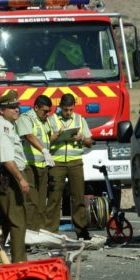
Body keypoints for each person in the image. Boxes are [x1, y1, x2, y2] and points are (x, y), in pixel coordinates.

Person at [0, 90, 35, 264]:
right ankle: (19, 261)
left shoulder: (3, 124)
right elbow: (7, 160)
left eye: (17, 107)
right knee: (18, 219)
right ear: (2, 110)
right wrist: (21, 179)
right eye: (12, 108)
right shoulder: (2, 128)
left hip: (1, 176)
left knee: (5, 218)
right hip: (6, 178)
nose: (16, 110)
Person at [47, 93, 93, 239]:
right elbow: (44, 140)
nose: (68, 113)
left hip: (75, 162)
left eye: (71, 109)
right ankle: (51, 233)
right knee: (54, 198)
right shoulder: (51, 120)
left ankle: (82, 231)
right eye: (66, 109)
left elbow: (89, 142)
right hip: (57, 162)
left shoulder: (79, 119)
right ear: (60, 107)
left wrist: (81, 138)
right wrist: (56, 135)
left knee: (78, 197)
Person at [16, 94, 55, 232]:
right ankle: (29, 233)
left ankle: (38, 232)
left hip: (42, 166)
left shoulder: (44, 121)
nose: (47, 114)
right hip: (29, 166)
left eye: (49, 111)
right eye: (45, 111)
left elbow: (49, 137)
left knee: (40, 203)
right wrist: (44, 150)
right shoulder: (26, 118)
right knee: (31, 202)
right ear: (36, 107)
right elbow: (29, 136)